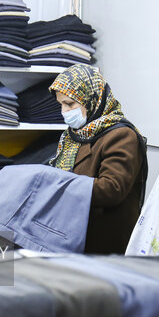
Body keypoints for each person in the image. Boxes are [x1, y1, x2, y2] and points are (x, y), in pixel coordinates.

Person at [49, 64, 148, 254]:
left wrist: (56, 185)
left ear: (91, 99)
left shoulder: (122, 136)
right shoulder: (74, 135)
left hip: (103, 239)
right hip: (73, 231)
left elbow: (112, 189)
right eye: (61, 104)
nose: (64, 111)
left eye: (69, 104)